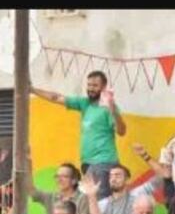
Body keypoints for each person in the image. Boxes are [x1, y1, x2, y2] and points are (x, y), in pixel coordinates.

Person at [31, 70, 127, 199]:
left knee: (98, 204)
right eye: (89, 85)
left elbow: (121, 131)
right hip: (88, 164)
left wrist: (113, 109)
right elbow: (57, 98)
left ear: (103, 87)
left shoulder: (108, 108)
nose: (91, 89)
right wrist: (32, 90)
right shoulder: (85, 104)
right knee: (90, 203)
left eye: (95, 85)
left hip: (103, 163)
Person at [25, 157, 90, 214]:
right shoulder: (51, 197)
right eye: (57, 176)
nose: (59, 179)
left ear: (74, 180)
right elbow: (31, 191)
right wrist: (27, 165)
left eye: (64, 176)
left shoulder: (82, 199)